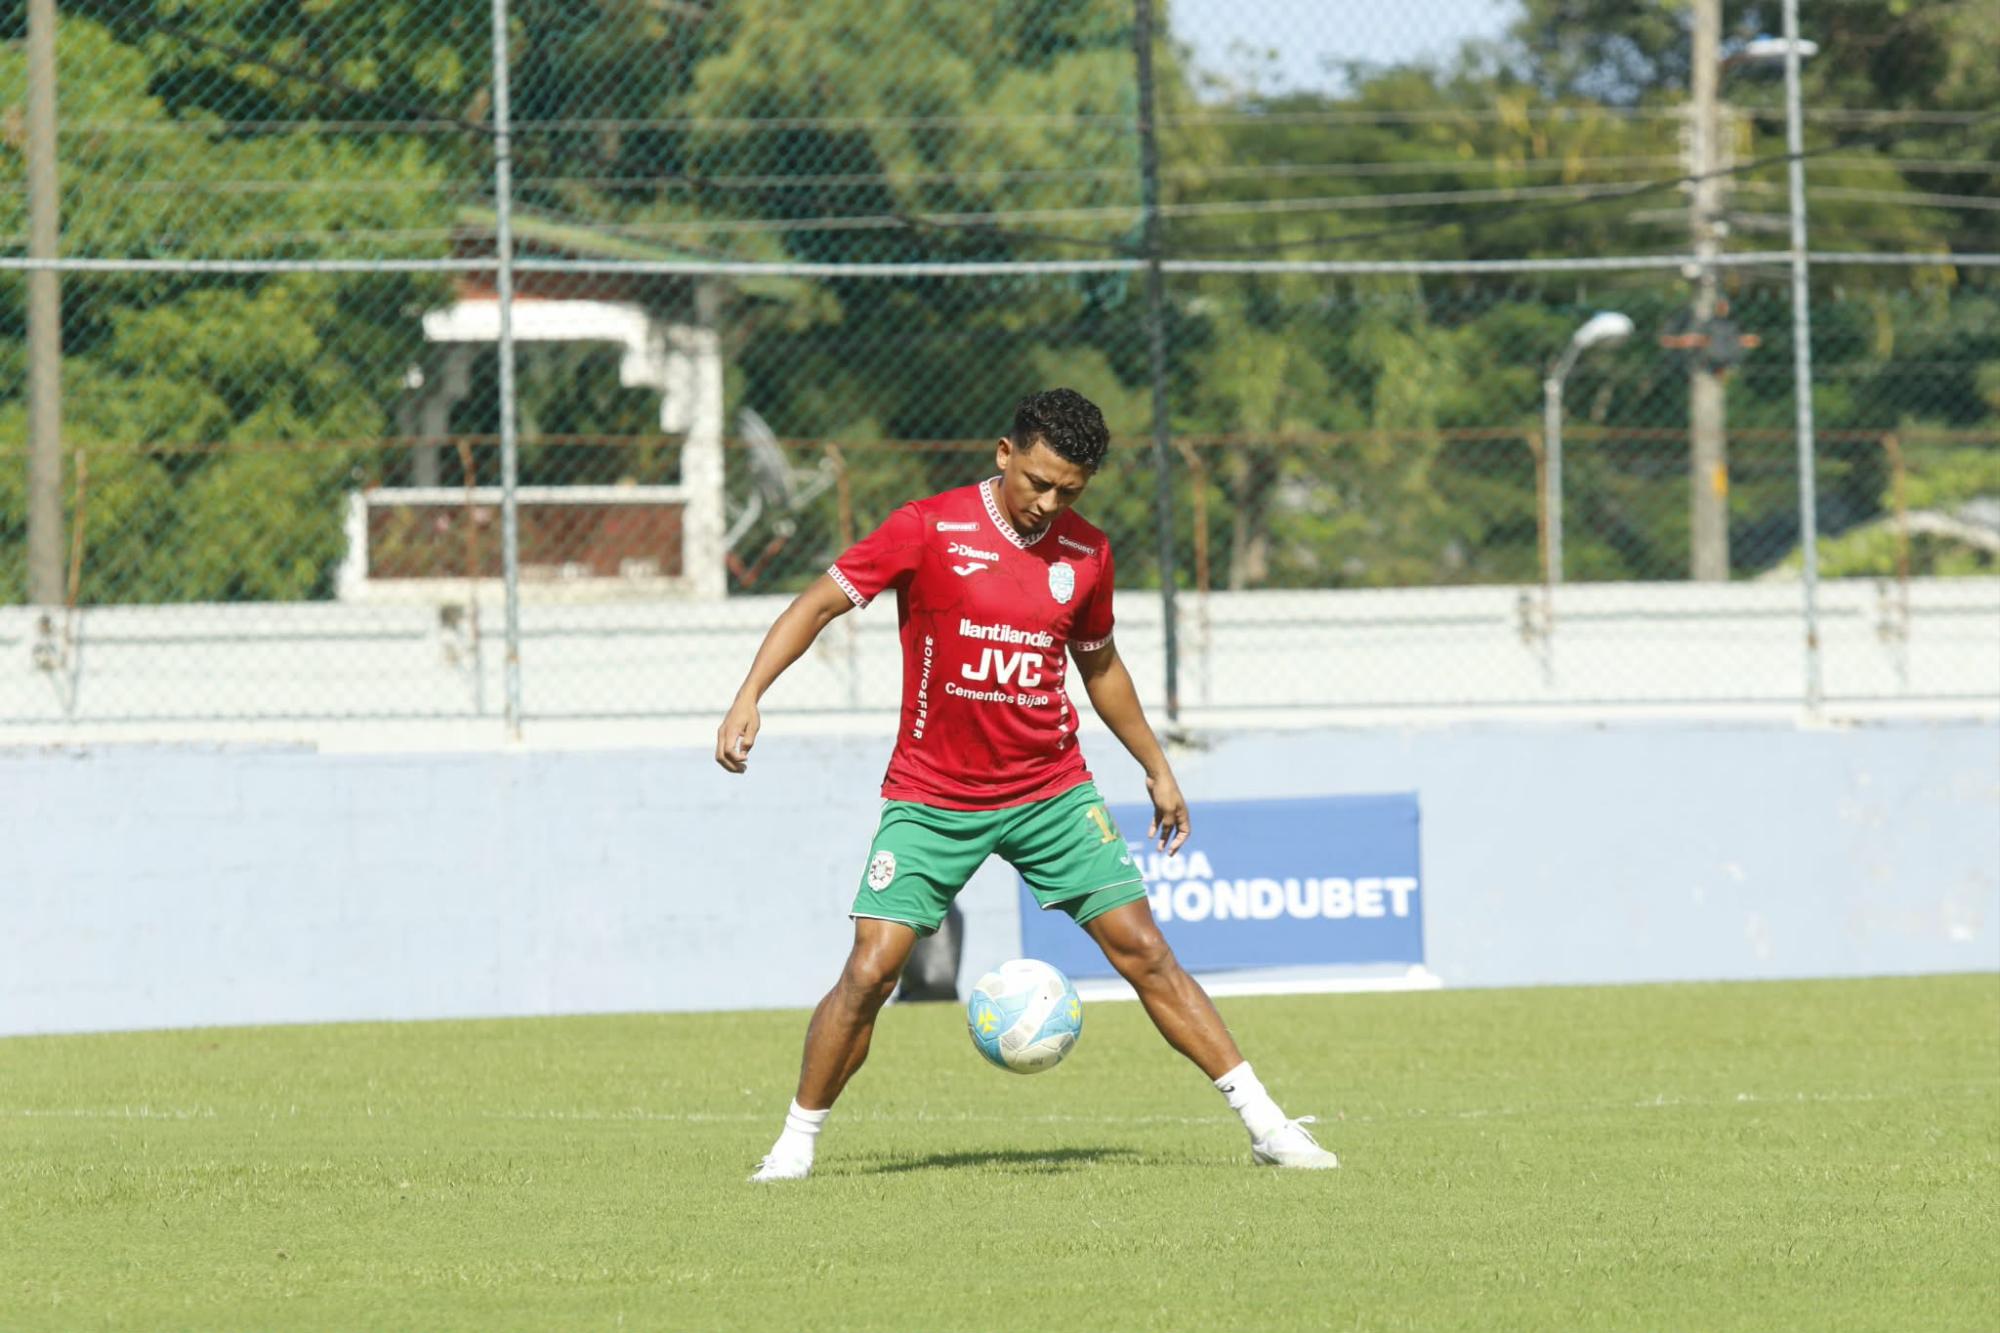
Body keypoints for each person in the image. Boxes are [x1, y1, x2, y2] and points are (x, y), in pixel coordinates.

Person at [715, 387, 1337, 1180]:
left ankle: (1268, 1126)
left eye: (1068, 490)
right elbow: (816, 605)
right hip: (933, 797)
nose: (1048, 503)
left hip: (1051, 791)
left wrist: (1156, 764)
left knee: (1145, 950)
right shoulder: (928, 527)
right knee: (872, 968)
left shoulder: (1088, 555)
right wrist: (749, 693)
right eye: (1037, 481)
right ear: (1004, 453)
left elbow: (1101, 665)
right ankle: (794, 1145)